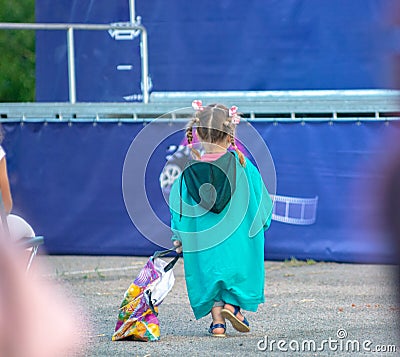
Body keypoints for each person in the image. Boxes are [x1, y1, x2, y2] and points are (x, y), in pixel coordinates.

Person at [169, 100, 273, 337]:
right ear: (230, 135)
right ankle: (233, 307)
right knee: (236, 270)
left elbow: (178, 209)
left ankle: (217, 323)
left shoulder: (188, 174)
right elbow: (262, 207)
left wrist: (179, 237)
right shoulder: (245, 168)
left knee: (211, 273)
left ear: (197, 135)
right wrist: (261, 223)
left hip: (205, 246)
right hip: (238, 242)